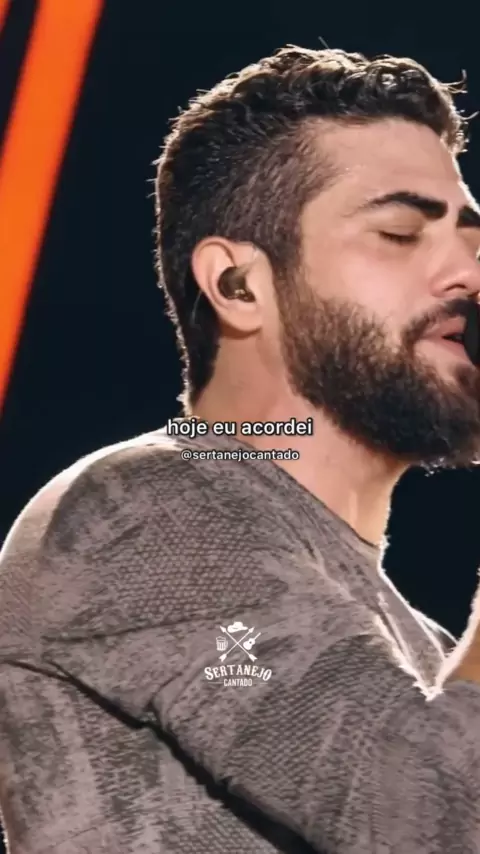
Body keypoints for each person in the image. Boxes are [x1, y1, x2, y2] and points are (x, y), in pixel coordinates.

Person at [1, 44, 480, 854]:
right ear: (237, 285)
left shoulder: (425, 653)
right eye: (400, 233)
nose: (468, 273)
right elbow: (440, 817)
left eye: (473, 241)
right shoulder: (140, 513)